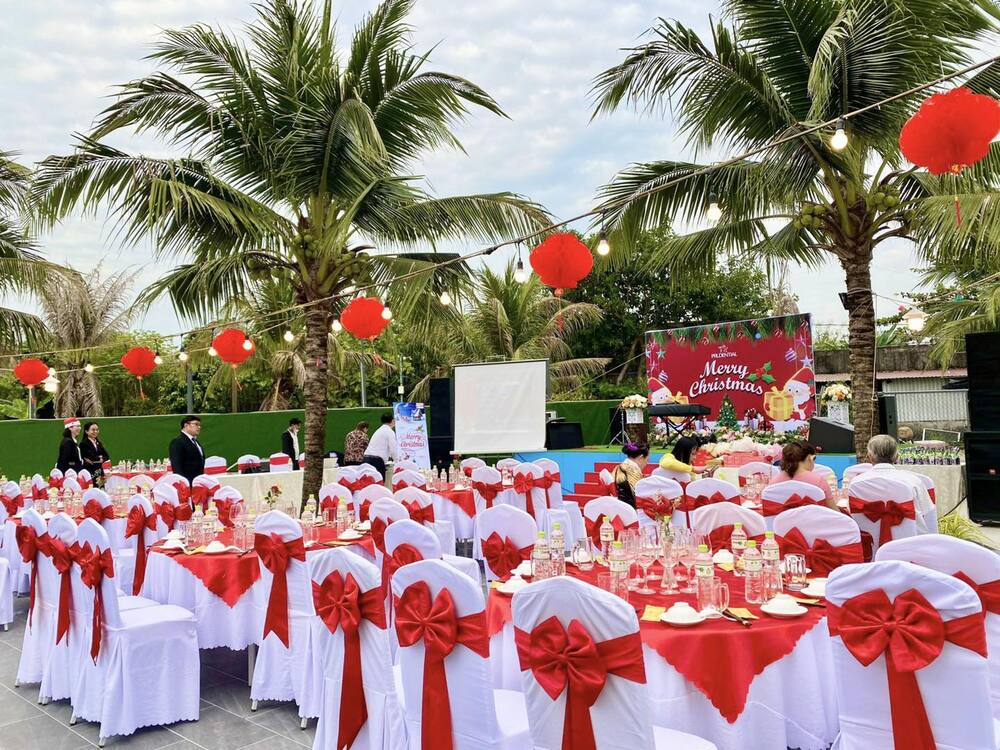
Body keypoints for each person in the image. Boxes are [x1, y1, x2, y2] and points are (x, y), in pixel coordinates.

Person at [862, 434, 935, 531]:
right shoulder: (913, 481)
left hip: (869, 539)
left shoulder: (856, 484)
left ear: (869, 457)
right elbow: (929, 516)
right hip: (912, 539)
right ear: (896, 457)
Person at [769, 441, 836, 510]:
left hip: (782, 517)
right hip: (813, 517)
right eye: (814, 458)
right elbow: (834, 512)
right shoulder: (819, 481)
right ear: (810, 458)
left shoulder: (773, 483)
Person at [169, 415, 205, 484]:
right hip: (187, 484)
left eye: (199, 425)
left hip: (198, 483)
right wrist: (183, 484)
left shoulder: (195, 442)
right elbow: (176, 467)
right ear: (186, 425)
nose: (199, 427)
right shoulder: (177, 442)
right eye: (196, 424)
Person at [613, 442, 648, 507]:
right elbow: (638, 496)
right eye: (647, 459)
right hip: (629, 508)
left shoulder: (618, 467)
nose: (646, 463)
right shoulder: (632, 470)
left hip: (618, 506)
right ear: (641, 458)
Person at [362, 413, 397, 477]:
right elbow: (393, 450)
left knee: (368, 481)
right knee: (378, 481)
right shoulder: (390, 432)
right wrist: (398, 462)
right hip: (376, 461)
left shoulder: (378, 430)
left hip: (366, 458)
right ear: (392, 421)